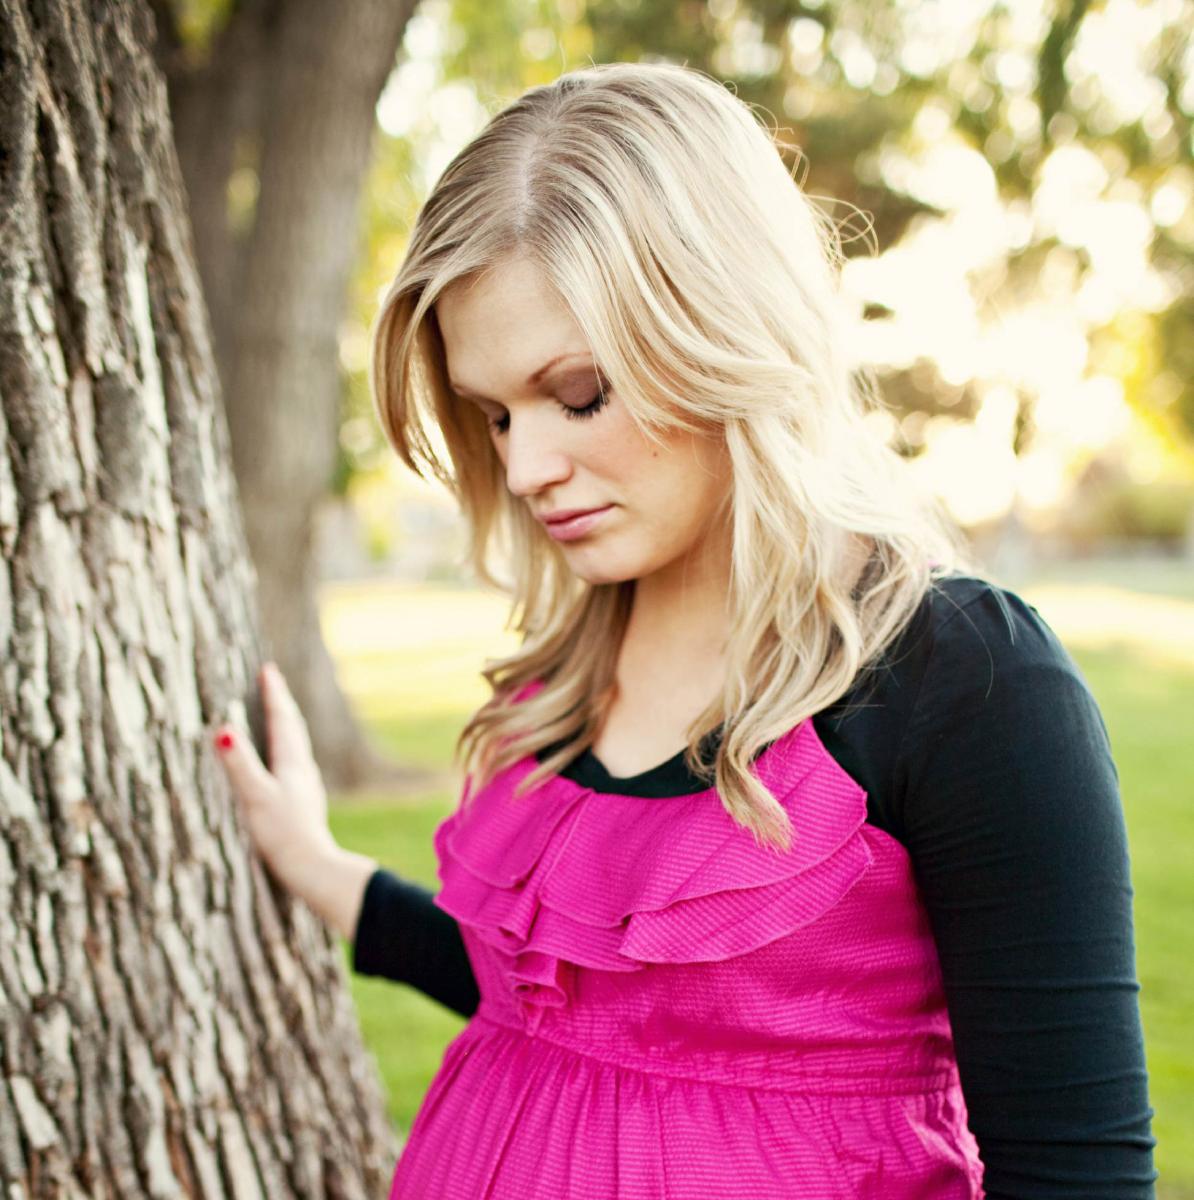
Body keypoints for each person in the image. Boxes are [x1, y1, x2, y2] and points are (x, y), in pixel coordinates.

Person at [213, 62, 1156, 1199]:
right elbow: (552, 1001)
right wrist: (321, 868)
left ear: (723, 327)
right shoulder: (562, 673)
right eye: (494, 413)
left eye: (577, 393)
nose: (523, 467)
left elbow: (1078, 1172)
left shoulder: (968, 681)